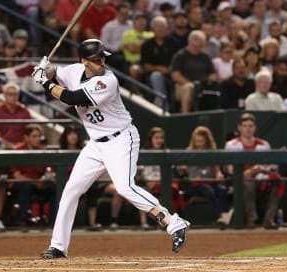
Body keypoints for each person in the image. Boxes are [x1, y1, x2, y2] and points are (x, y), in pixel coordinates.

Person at [31, 39, 190, 259]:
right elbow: (55, 73)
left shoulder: (107, 81)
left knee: (124, 187)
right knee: (70, 191)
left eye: (103, 57)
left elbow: (73, 97)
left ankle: (173, 222)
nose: (102, 62)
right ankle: (58, 246)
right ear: (84, 61)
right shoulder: (74, 71)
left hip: (121, 139)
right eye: (96, 59)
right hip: (95, 144)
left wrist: (45, 83)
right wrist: (45, 70)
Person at [224, 113, 282, 229]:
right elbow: (229, 169)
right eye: (245, 126)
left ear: (255, 127)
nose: (248, 129)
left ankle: (269, 219)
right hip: (242, 179)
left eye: (250, 126)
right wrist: (245, 173)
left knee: (277, 181)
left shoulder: (264, 144)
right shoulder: (231, 145)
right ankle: (251, 219)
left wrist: (261, 169)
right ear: (239, 127)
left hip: (261, 177)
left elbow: (270, 166)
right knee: (249, 184)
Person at [176, 126, 232, 229]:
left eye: (201, 141)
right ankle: (223, 215)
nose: (199, 144)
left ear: (207, 141)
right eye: (197, 141)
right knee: (207, 189)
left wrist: (219, 174)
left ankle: (223, 217)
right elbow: (180, 169)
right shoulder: (188, 151)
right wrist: (183, 169)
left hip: (210, 182)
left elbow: (216, 170)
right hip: (193, 186)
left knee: (222, 190)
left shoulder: (211, 151)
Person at [11, 124, 55, 231]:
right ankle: (24, 221)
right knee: (24, 186)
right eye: (34, 136)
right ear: (26, 137)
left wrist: (44, 179)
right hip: (22, 184)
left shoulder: (42, 151)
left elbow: (51, 171)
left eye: (39, 136)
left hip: (39, 184)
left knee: (55, 188)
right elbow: (17, 175)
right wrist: (34, 182)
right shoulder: (18, 150)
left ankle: (53, 221)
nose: (37, 139)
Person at [0, 82, 31, 148]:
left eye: (15, 94)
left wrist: (20, 147)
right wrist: (11, 146)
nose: (13, 97)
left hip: (22, 149)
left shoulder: (25, 112)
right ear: (4, 95)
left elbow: (28, 135)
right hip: (3, 148)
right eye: (10, 94)